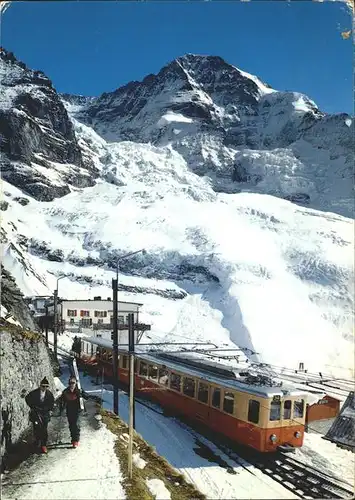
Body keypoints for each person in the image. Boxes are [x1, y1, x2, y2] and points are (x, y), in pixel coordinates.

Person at [25, 377, 55, 454]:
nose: (44, 388)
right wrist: (32, 406)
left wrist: (48, 409)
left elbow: (52, 403)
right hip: (36, 414)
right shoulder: (34, 393)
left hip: (45, 414)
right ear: (40, 386)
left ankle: (43, 445)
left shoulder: (49, 394)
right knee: (36, 428)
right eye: (43, 386)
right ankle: (37, 440)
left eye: (46, 386)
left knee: (44, 429)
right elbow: (27, 398)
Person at [58, 376, 83, 448]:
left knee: (76, 424)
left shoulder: (79, 391)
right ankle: (73, 439)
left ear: (75, 383)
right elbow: (62, 401)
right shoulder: (65, 392)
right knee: (71, 424)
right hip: (69, 410)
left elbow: (86, 396)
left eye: (73, 383)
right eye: (70, 383)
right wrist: (61, 408)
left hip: (77, 410)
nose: (72, 384)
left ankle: (76, 440)